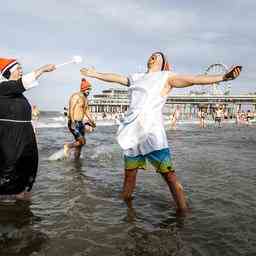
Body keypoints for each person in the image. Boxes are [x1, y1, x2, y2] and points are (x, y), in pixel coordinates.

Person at [80, 52, 242, 215]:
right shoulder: (136, 77)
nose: (152, 57)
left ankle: (183, 213)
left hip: (152, 134)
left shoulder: (166, 77)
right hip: (131, 133)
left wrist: (224, 77)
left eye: (156, 56)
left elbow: (194, 79)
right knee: (129, 175)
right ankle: (126, 213)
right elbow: (116, 77)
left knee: (169, 176)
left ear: (163, 63)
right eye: (151, 55)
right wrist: (96, 74)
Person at [0, 57, 55, 200]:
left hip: (25, 137)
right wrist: (42, 69)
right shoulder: (3, 87)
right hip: (11, 138)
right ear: (8, 72)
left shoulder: (18, 94)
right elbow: (23, 83)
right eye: (18, 68)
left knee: (29, 168)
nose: (21, 71)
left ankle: (22, 206)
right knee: (9, 171)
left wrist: (33, 135)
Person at [64, 78, 96, 160]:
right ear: (83, 88)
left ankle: (76, 159)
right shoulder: (76, 96)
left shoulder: (85, 99)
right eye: (88, 89)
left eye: (90, 89)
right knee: (83, 141)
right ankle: (68, 146)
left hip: (80, 123)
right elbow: (71, 108)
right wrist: (72, 121)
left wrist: (92, 121)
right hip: (74, 122)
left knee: (80, 144)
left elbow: (87, 111)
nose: (89, 91)